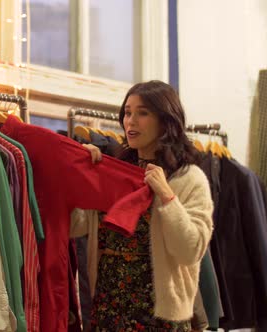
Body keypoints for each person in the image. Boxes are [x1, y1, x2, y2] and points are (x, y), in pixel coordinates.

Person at [83, 81, 213, 332]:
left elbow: (190, 250)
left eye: (142, 113)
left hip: (159, 316)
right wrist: (82, 173)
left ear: (166, 120)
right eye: (127, 113)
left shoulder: (189, 178)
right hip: (108, 310)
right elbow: (76, 227)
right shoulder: (117, 174)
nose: (131, 121)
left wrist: (166, 196)